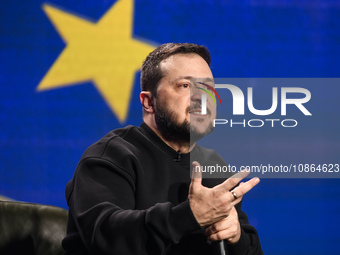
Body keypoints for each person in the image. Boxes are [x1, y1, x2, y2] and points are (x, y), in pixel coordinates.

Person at [62, 43, 263, 255]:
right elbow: (105, 239)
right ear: (148, 102)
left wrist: (236, 237)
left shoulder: (215, 167)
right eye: (185, 86)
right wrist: (188, 216)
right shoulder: (111, 157)